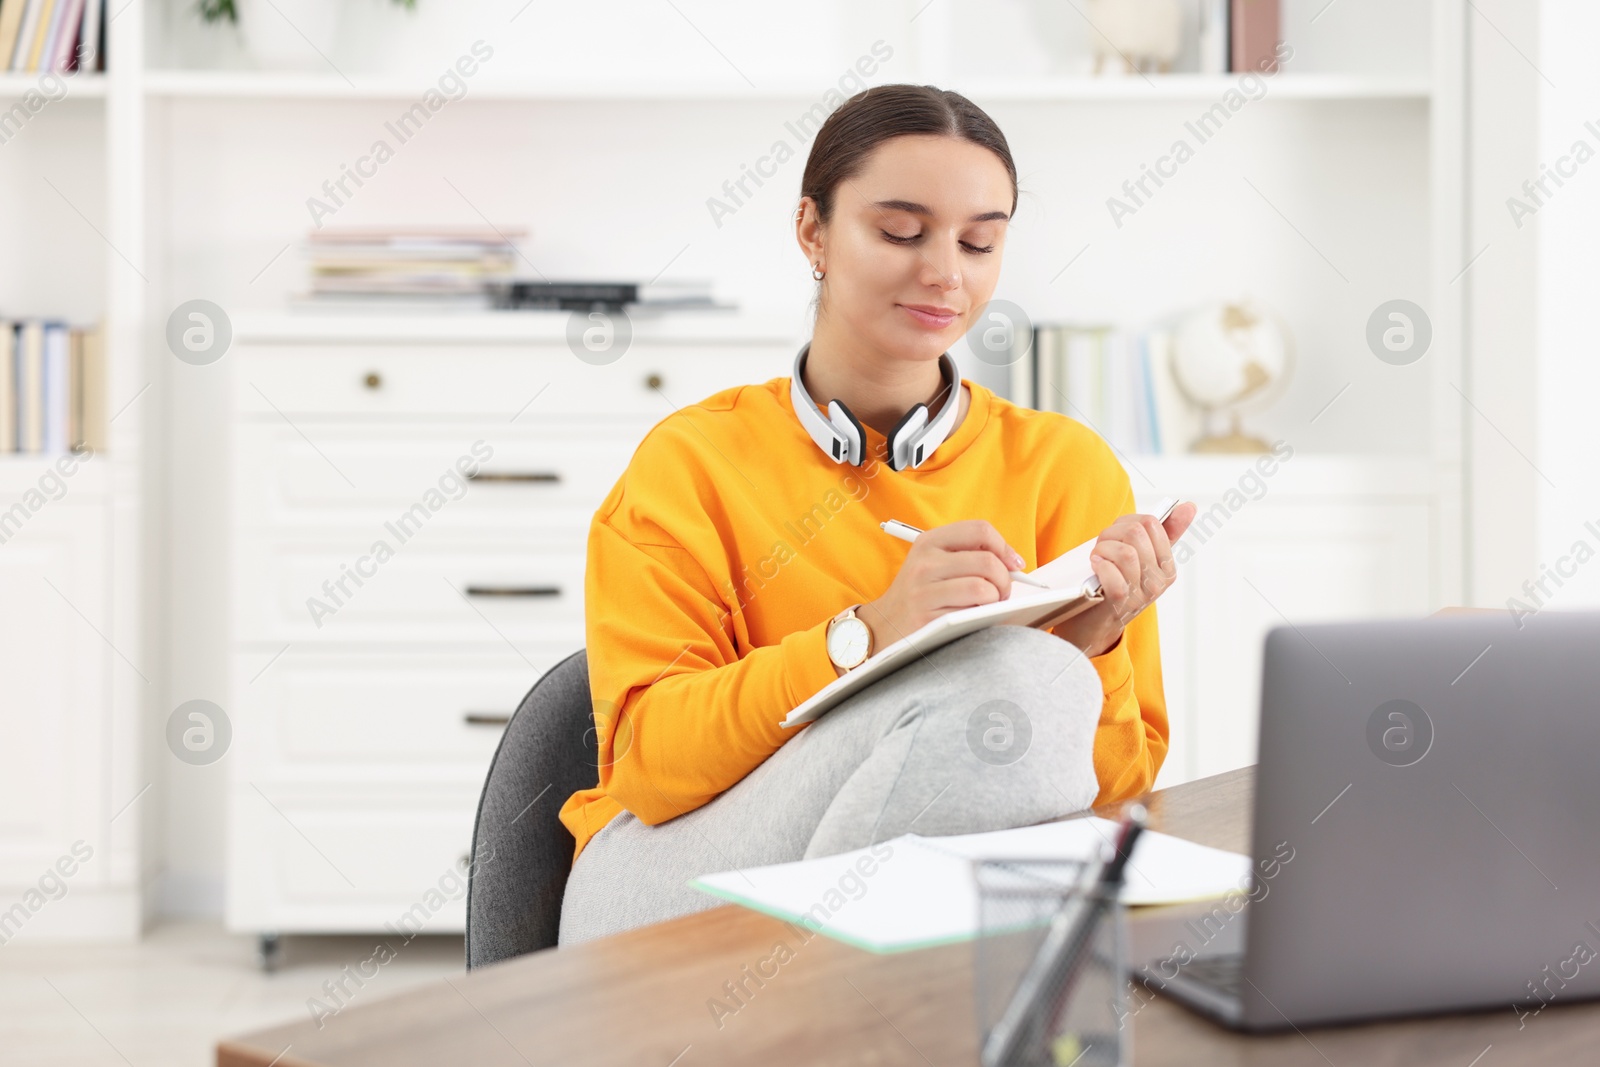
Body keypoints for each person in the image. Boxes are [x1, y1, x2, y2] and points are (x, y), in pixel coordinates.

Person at [557, 84, 1198, 945]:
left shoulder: (1064, 466)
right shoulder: (691, 461)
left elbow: (1110, 787)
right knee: (1020, 688)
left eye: (979, 242)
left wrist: (1094, 644)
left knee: (1029, 690)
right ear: (812, 232)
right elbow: (652, 766)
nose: (945, 273)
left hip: (916, 883)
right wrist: (870, 631)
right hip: (669, 867)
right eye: (901, 232)